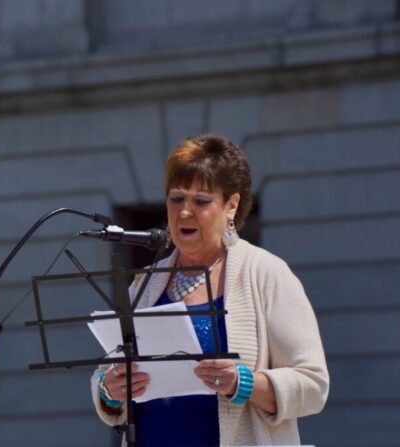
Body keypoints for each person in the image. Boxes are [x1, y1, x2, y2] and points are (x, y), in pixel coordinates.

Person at [90, 134, 329, 446]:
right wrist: (109, 390)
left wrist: (243, 384)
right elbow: (106, 375)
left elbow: (313, 386)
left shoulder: (266, 273)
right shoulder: (145, 283)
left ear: (231, 206)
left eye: (201, 201)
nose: (185, 212)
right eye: (176, 199)